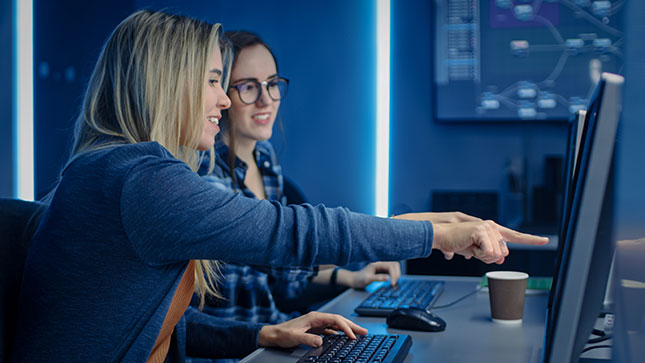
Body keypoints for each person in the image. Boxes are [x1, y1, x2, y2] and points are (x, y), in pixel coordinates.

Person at [9, 9, 548, 362]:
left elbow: (156, 326)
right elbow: (293, 234)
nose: (225, 101)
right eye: (217, 83)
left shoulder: (106, 172)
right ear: (169, 85)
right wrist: (434, 235)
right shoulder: (140, 180)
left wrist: (264, 334)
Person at [197, 30, 402, 326]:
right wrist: (403, 235)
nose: (266, 100)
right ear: (223, 95)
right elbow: (278, 251)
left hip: (272, 334)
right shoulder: (205, 173)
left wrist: (354, 277)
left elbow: (287, 271)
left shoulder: (265, 160)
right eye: (248, 87)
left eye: (272, 84)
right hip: (233, 349)